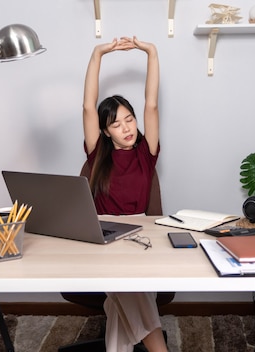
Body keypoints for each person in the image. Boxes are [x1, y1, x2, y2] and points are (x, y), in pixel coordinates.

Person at [82, 37, 167, 352]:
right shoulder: (96, 156)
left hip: (143, 240)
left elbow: (152, 103)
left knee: (121, 298)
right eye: (116, 124)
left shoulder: (147, 152)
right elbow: (88, 106)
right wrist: (98, 53)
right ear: (106, 131)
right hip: (104, 242)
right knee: (131, 288)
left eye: (129, 119)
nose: (127, 128)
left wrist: (151, 52)